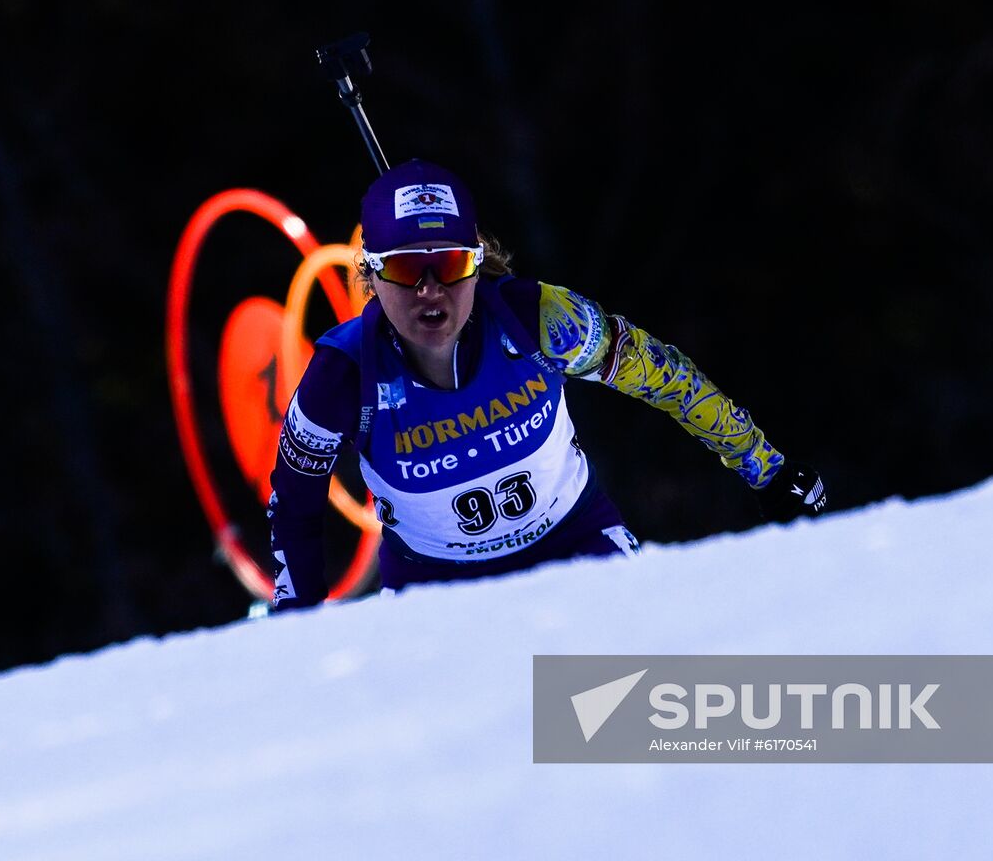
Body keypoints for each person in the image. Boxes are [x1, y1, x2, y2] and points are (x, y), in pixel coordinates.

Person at [267, 159, 826, 610]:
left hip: (576, 542)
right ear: (370, 273)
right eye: (409, 270)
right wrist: (298, 626)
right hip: (432, 587)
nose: (431, 292)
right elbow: (294, 502)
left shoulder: (539, 320)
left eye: (453, 264)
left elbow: (664, 378)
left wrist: (770, 472)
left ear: (478, 262)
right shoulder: (342, 375)